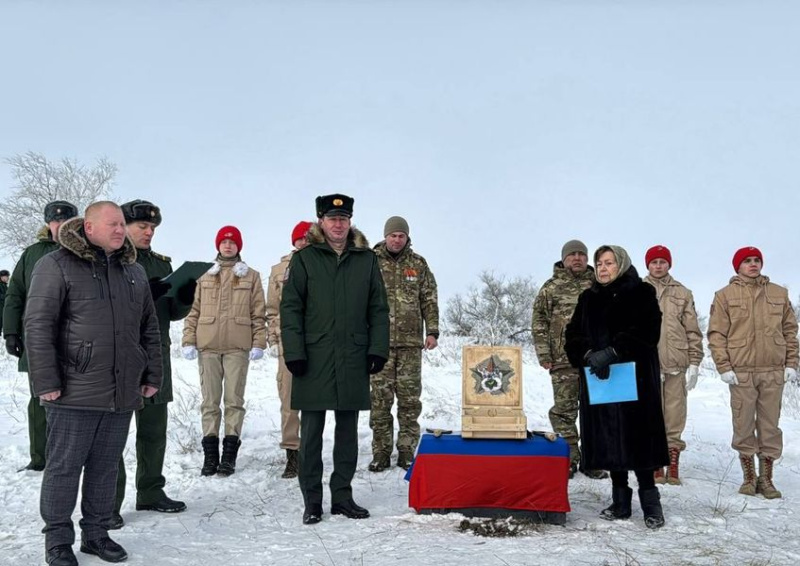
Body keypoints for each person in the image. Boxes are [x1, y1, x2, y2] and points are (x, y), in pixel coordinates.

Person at [24, 202, 162, 566]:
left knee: (105, 466)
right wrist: (46, 381)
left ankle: (96, 534)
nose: (121, 230)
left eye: (122, 224)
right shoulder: (55, 265)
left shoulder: (132, 272)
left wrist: (152, 376)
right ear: (88, 226)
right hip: (72, 390)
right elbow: (38, 326)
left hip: (121, 391)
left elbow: (148, 329)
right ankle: (57, 541)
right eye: (113, 224)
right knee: (64, 468)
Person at [281, 193, 389, 525]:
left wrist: (377, 348)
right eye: (332, 219)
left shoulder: (366, 260)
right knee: (311, 432)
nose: (338, 224)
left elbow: (378, 308)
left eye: (343, 219)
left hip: (353, 356)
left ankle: (342, 496)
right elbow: (291, 309)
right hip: (313, 358)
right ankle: (312, 501)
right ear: (321, 222)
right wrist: (295, 353)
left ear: (350, 222)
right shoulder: (304, 259)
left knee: (347, 431)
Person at [565, 245, 668, 529]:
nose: (602, 268)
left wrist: (612, 352)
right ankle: (620, 502)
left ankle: (651, 503)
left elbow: (648, 330)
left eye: (608, 263)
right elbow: (572, 334)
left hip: (635, 378)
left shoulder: (641, 293)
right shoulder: (588, 298)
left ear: (620, 264)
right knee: (611, 439)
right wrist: (588, 355)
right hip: (602, 379)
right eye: (599, 263)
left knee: (638, 440)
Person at [107, 200, 196, 528]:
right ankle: (108, 502)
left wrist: (185, 296)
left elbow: (170, 312)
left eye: (152, 228)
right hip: (117, 359)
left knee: (154, 430)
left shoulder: (161, 263)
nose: (148, 232)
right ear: (123, 226)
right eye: (142, 227)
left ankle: (150, 491)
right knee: (113, 435)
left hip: (155, 356)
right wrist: (144, 291)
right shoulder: (107, 260)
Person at [707, 247, 799, 499]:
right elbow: (717, 335)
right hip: (741, 371)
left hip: (773, 371)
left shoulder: (779, 294)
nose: (753, 264)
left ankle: (766, 479)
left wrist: (792, 363)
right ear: (738, 266)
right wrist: (724, 367)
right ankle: (749, 477)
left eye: (757, 260)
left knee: (770, 426)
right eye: (747, 261)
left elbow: (790, 331)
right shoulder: (725, 296)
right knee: (743, 423)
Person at [182, 225, 267, 477]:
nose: (228, 245)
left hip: (237, 347)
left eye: (232, 242)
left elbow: (258, 313)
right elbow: (192, 311)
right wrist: (188, 340)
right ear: (217, 245)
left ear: (239, 246)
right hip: (207, 345)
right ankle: (210, 457)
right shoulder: (203, 275)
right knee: (209, 402)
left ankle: (229, 457)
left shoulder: (251, 276)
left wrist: (259, 343)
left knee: (233, 401)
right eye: (224, 242)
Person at [3, 200, 78, 472]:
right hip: (40, 339)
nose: (61, 226)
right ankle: (40, 458)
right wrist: (11, 331)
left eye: (67, 221)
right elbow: (15, 293)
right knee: (40, 400)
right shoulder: (32, 254)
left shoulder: (83, 252)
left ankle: (70, 456)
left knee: (75, 399)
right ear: (48, 224)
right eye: (56, 222)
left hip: (75, 338)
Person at [532, 239, 607, 480]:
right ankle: (570, 457)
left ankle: (592, 459)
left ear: (588, 259)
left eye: (581, 255)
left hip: (595, 360)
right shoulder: (551, 287)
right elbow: (539, 322)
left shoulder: (599, 285)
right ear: (564, 259)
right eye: (572, 255)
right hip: (562, 359)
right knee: (564, 411)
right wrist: (544, 354)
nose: (577, 258)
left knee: (595, 410)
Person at [368, 215, 439, 472]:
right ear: (385, 236)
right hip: (379, 344)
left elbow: (429, 299)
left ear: (407, 238)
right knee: (380, 401)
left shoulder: (418, 264)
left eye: (401, 235)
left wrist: (432, 331)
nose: (397, 240)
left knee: (409, 401)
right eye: (393, 235)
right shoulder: (370, 261)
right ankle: (381, 451)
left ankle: (407, 450)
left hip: (410, 345)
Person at [643, 245, 704, 486]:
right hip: (647, 363)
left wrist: (695, 362)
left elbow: (693, 330)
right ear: (648, 265)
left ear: (669, 264)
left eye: (662, 262)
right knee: (651, 413)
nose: (658, 266)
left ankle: (673, 458)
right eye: (654, 262)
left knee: (675, 413)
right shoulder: (638, 289)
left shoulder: (683, 292)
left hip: (676, 362)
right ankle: (656, 462)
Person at [266, 220, 312, 479]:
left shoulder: (323, 264)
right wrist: (275, 338)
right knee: (289, 399)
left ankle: (311, 450)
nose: (303, 242)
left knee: (316, 401)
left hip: (317, 342)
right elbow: (272, 308)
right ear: (293, 241)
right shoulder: (279, 270)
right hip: (289, 343)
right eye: (300, 238)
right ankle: (292, 453)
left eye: (308, 238)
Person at [0, 269, 9, 333]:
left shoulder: (5, 286)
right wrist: (7, 296)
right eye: (6, 276)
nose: (8, 278)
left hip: (3, 311)